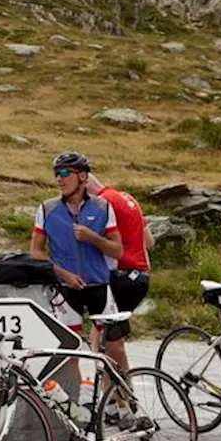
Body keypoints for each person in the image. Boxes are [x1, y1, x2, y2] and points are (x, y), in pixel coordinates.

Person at [31, 152, 124, 420]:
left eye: (65, 173)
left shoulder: (103, 207)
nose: (59, 180)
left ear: (82, 176)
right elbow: (36, 252)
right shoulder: (47, 209)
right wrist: (62, 273)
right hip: (65, 289)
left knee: (113, 348)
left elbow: (117, 250)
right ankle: (74, 408)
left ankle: (121, 403)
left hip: (98, 285)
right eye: (56, 174)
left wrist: (94, 237)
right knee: (69, 348)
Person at [84, 170, 154, 417]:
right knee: (102, 334)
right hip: (140, 275)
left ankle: (122, 401)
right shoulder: (127, 198)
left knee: (109, 341)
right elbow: (150, 242)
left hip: (121, 275)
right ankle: (113, 398)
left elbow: (97, 242)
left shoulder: (102, 204)